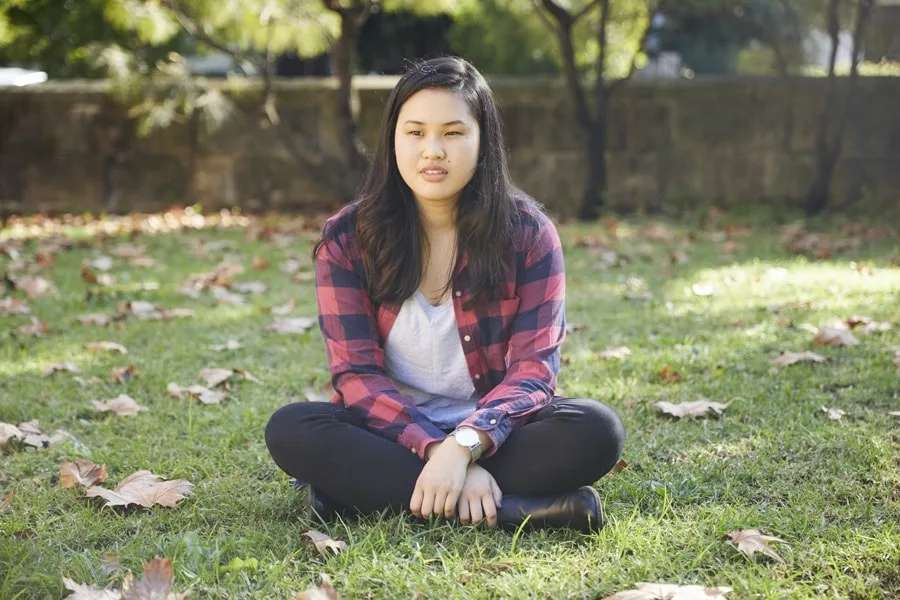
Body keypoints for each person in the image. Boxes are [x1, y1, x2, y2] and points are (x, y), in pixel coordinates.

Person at [265, 56, 626, 534]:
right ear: (393, 139)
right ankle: (518, 510)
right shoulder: (348, 237)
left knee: (597, 430)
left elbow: (534, 373)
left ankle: (354, 498)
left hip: (499, 432)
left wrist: (466, 444)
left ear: (483, 141)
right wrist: (437, 450)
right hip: (390, 432)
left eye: (453, 133)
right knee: (292, 430)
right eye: (415, 133)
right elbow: (355, 375)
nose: (432, 150)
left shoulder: (528, 234)